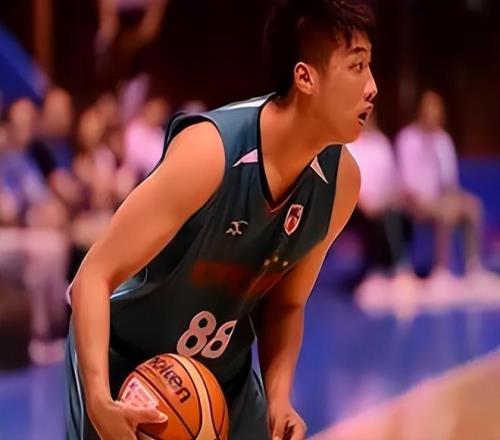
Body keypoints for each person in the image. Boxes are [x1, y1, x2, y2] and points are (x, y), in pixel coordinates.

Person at [65, 1, 377, 439]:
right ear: (305, 77)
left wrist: (279, 399)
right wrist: (99, 399)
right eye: (357, 67)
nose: (373, 87)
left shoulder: (341, 182)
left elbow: (286, 304)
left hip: (222, 377)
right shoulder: (210, 154)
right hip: (125, 364)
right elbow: (92, 277)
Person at [395, 90, 497, 296]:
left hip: (440, 198)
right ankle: (441, 270)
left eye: (437, 111)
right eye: (429, 110)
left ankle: (473, 268)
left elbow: (449, 182)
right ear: (421, 112)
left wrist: (455, 198)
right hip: (413, 200)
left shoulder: (443, 140)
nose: (433, 115)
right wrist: (429, 200)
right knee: (445, 210)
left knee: (472, 206)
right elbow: (406, 182)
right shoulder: (407, 138)